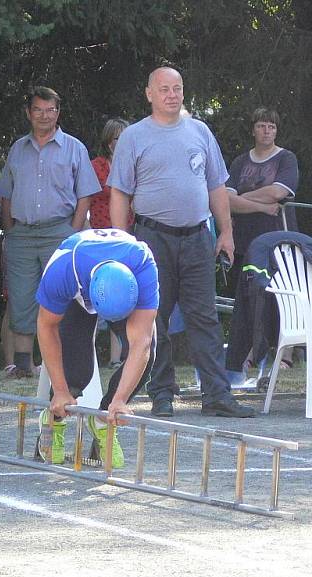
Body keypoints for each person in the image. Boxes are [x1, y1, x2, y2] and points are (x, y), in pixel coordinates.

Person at [108, 66, 255, 418]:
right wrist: (120, 241)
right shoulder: (134, 137)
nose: (171, 95)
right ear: (149, 94)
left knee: (204, 317)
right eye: (164, 89)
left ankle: (217, 394)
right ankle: (161, 395)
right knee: (153, 319)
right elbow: (120, 193)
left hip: (196, 238)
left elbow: (216, 186)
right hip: (151, 238)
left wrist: (227, 232)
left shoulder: (200, 131)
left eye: (177, 88)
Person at [0, 86, 100, 378]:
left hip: (60, 231)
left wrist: (73, 232)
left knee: (62, 296)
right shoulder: (17, 148)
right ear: (29, 113)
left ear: (58, 113)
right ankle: (24, 363)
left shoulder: (75, 148)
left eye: (50, 110)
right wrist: (10, 232)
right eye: (38, 110)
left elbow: (86, 196)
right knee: (21, 297)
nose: (44, 116)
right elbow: (6, 194)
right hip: (22, 235)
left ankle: (62, 364)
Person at [35, 229, 158, 468]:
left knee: (149, 354)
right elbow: (46, 327)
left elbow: (140, 344)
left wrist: (120, 400)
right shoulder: (62, 269)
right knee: (77, 372)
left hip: (122, 280)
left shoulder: (143, 265)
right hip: (76, 285)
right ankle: (54, 419)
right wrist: (60, 390)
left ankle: (104, 421)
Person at [227, 108, 299, 296]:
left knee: (274, 302)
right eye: (261, 126)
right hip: (242, 245)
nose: (266, 131)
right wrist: (262, 207)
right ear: (253, 130)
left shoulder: (286, 159)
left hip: (277, 246)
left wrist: (241, 199)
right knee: (242, 301)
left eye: (271, 126)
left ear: (276, 131)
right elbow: (226, 201)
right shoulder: (239, 162)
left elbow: (277, 192)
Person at [89, 118, 132, 368]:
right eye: (117, 138)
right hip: (100, 236)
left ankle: (118, 357)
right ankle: (89, 357)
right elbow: (84, 200)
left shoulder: (135, 164)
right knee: (95, 294)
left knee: (121, 294)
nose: (122, 143)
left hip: (129, 236)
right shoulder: (95, 167)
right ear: (108, 141)